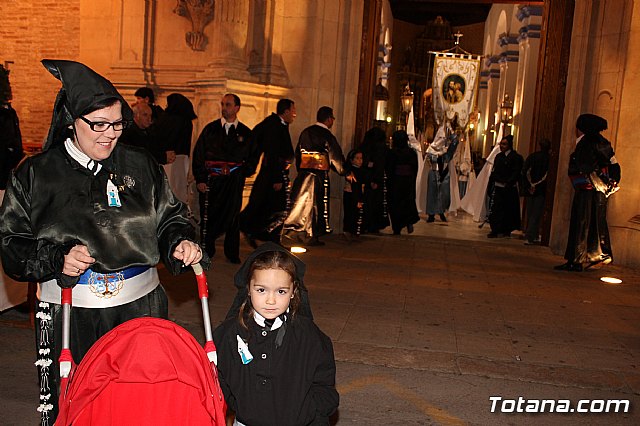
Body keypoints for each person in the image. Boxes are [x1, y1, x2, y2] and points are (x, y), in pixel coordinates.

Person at [0, 59, 207, 425]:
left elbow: (170, 216)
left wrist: (179, 240)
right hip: (70, 311)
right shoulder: (35, 174)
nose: (109, 134)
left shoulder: (140, 164)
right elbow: (13, 245)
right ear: (71, 120)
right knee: (75, 405)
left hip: (138, 310)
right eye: (98, 124)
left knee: (138, 404)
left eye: (117, 123)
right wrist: (56, 257)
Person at [213, 242, 339, 426]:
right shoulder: (229, 334)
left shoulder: (309, 336)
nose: (271, 300)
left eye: (281, 291)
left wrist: (307, 411)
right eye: (261, 290)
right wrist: (240, 405)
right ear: (248, 288)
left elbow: (324, 386)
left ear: (294, 292)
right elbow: (218, 381)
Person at [192, 93, 258, 263]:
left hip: (233, 183)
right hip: (211, 182)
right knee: (210, 217)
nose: (224, 108)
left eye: (228, 104)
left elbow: (252, 159)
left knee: (233, 217)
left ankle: (232, 252)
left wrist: (240, 172)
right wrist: (200, 178)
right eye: (222, 104)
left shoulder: (246, 133)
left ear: (237, 108)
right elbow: (199, 154)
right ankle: (207, 250)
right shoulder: (210, 130)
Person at [283, 106, 353, 246]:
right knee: (316, 205)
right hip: (319, 176)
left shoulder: (306, 132)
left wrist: (302, 168)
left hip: (304, 174)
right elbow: (335, 157)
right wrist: (345, 171)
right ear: (328, 119)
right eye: (332, 119)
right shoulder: (327, 136)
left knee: (301, 203)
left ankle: (296, 231)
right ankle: (312, 234)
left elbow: (298, 153)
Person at [555, 114, 609, 271]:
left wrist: (593, 182)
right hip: (599, 193)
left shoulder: (585, 144)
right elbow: (613, 164)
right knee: (594, 224)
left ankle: (576, 260)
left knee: (580, 224)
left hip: (586, 190)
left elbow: (586, 167)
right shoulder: (603, 143)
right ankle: (592, 255)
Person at [240, 99, 297, 247]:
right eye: (293, 111)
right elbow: (273, 153)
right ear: (285, 112)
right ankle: (258, 233)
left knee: (272, 207)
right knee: (277, 209)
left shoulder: (278, 124)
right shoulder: (273, 125)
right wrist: (277, 178)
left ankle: (270, 238)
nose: (294, 114)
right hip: (272, 175)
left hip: (276, 174)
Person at [156, 93, 197, 204]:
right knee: (178, 191)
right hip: (181, 159)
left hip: (166, 158)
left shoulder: (166, 119)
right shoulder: (186, 121)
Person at [487, 135, 524, 238]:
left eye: (504, 144)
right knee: (496, 210)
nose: (502, 146)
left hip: (509, 188)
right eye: (501, 144)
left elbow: (516, 172)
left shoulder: (516, 157)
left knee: (508, 210)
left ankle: (506, 230)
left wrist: (508, 182)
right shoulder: (498, 157)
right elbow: (494, 171)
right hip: (499, 187)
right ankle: (495, 230)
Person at [386, 130, 420, 235]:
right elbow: (415, 168)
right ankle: (408, 221)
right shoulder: (411, 153)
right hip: (408, 182)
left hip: (395, 182)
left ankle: (397, 227)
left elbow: (389, 168)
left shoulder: (392, 153)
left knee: (395, 204)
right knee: (407, 203)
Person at [425, 124, 458, 223]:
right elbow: (429, 159)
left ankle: (441, 212)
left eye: (443, 138)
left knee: (444, 194)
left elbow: (455, 142)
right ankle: (431, 214)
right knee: (432, 194)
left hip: (444, 173)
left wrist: (451, 130)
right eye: (440, 137)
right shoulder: (431, 149)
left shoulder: (447, 150)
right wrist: (437, 154)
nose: (441, 139)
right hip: (434, 171)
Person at [359, 126, 389, 233]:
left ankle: (364, 224)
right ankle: (374, 226)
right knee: (375, 203)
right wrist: (376, 180)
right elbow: (380, 165)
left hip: (366, 178)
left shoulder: (365, 146)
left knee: (367, 202)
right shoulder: (381, 148)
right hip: (376, 178)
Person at [522, 138, 551, 245]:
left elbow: (525, 171)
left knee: (530, 213)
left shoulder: (532, 157)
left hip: (531, 189)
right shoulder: (549, 159)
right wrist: (537, 185)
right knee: (536, 213)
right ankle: (530, 236)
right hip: (541, 190)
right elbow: (547, 175)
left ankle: (531, 234)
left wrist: (530, 185)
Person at [342, 149, 368, 240]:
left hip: (359, 194)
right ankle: (348, 231)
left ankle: (356, 232)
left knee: (357, 214)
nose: (360, 160)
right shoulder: (350, 171)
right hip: (351, 194)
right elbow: (354, 184)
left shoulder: (363, 171)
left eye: (361, 158)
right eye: (357, 158)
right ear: (352, 160)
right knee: (349, 213)